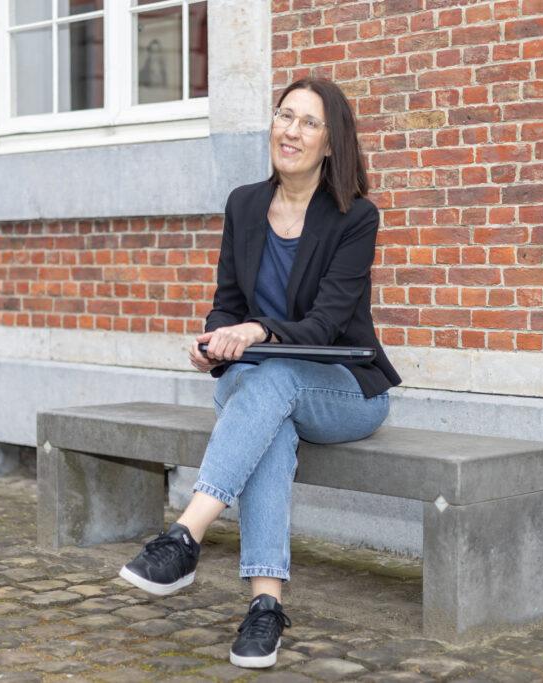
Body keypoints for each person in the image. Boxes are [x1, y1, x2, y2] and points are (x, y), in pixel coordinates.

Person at [119, 78, 402, 668]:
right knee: (270, 414)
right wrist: (214, 341)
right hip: (258, 389)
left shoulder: (356, 218)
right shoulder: (244, 204)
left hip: (345, 389)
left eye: (307, 123)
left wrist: (256, 333)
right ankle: (264, 609)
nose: (290, 131)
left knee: (276, 380)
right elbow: (227, 302)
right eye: (283, 116)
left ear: (331, 143)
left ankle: (186, 536)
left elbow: (325, 326)